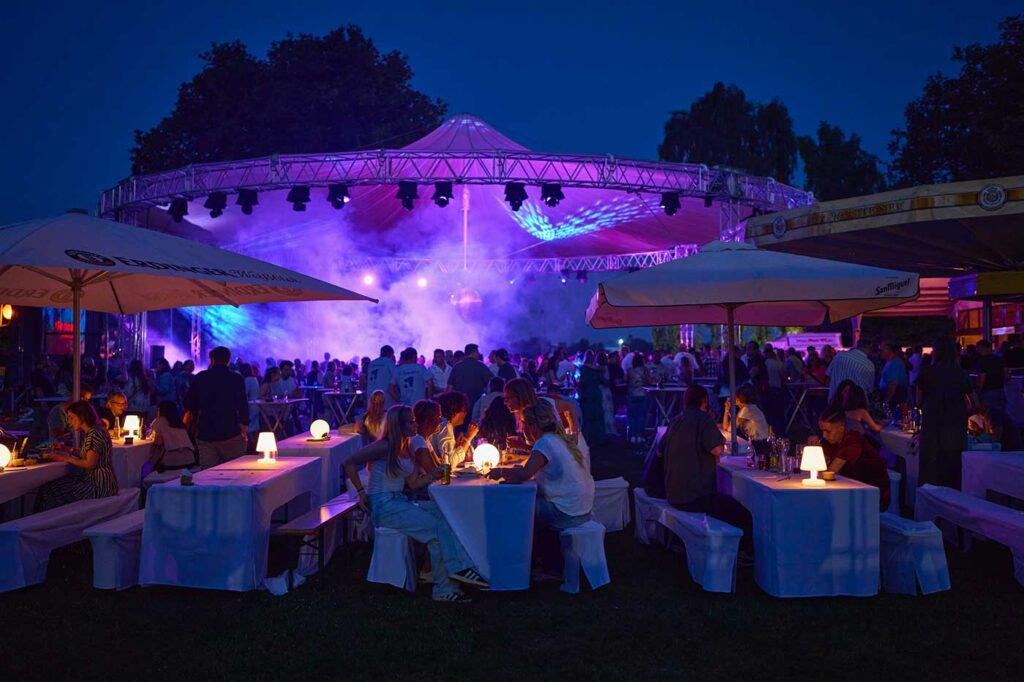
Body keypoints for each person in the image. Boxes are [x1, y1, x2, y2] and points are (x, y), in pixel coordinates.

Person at [343, 405, 488, 602]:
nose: (416, 424)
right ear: (399, 426)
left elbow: (413, 483)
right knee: (436, 528)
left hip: (399, 500)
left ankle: (453, 577)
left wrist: (433, 475)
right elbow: (349, 462)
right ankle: (452, 578)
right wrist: (361, 492)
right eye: (411, 422)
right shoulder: (385, 446)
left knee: (445, 514)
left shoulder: (407, 446)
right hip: (384, 505)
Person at [487, 401, 595, 579]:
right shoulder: (558, 439)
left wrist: (499, 471)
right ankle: (547, 563)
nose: (521, 429)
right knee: (531, 505)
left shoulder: (545, 443)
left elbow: (525, 473)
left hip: (567, 512)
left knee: (520, 509)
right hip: (583, 508)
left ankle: (524, 564)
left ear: (533, 426)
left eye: (523, 424)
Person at [656, 385, 752, 554]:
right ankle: (745, 556)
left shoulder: (676, 420)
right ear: (705, 401)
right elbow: (717, 449)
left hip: (672, 492)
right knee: (744, 514)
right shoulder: (703, 419)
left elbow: (659, 450)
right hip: (694, 496)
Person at [916, 336, 974, 489]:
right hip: (955, 423)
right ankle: (952, 496)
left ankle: (929, 495)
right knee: (953, 461)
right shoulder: (961, 373)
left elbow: (918, 399)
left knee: (931, 462)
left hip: (932, 421)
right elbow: (973, 400)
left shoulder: (926, 372)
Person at [37, 401, 118, 510]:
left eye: (72, 417)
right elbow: (88, 453)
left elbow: (89, 464)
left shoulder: (94, 434)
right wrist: (65, 448)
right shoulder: (96, 430)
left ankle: (49, 518)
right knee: (55, 485)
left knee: (49, 489)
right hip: (103, 482)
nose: (69, 422)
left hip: (98, 485)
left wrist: (64, 458)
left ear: (82, 417)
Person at [182, 346, 249, 469]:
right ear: (228, 360)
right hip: (231, 432)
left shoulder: (201, 377)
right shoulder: (236, 378)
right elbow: (243, 405)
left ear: (212, 359)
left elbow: (188, 402)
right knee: (234, 472)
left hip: (206, 433)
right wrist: (244, 425)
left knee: (208, 474)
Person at [815, 408, 891, 511]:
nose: (824, 436)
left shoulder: (852, 441)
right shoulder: (833, 442)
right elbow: (819, 466)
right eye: (822, 431)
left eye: (828, 431)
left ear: (841, 428)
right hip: (852, 490)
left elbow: (830, 473)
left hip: (873, 496)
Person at [149, 400, 197, 471]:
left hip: (172, 461)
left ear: (160, 410)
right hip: (189, 459)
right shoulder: (179, 422)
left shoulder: (158, 421)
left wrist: (151, 436)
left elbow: (158, 442)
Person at [826, 338, 876, 403]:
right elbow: (869, 389)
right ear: (868, 347)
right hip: (857, 404)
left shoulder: (839, 356)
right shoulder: (869, 365)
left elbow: (828, 377)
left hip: (834, 401)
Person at [435, 391, 476, 466]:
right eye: (464, 410)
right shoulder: (445, 426)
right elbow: (449, 462)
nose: (465, 413)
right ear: (455, 410)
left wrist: (457, 446)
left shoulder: (444, 424)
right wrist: (468, 438)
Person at [577, 350, 608, 446]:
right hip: (596, 394)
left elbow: (580, 383)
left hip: (586, 395)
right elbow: (605, 382)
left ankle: (587, 439)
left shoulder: (582, 369)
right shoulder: (596, 370)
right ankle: (599, 439)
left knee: (587, 419)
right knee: (597, 418)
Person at [975, 339, 1007, 411]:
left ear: (980, 348)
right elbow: (1006, 375)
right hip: (1000, 390)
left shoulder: (982, 361)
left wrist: (977, 391)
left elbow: (982, 380)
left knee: (989, 414)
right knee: (1001, 414)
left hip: (987, 392)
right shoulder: (999, 359)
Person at [626, 353, 650, 444]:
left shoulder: (629, 370)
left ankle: (633, 436)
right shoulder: (645, 370)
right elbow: (649, 381)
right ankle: (640, 436)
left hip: (631, 394)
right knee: (642, 416)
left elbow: (626, 381)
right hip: (643, 393)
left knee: (632, 416)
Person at [879, 342, 909, 411]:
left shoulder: (895, 363)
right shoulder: (890, 362)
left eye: (881, 350)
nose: (879, 352)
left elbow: (893, 384)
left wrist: (886, 401)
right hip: (894, 396)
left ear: (888, 350)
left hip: (895, 397)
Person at [239, 362, 261, 442]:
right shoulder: (254, 378)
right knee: (255, 427)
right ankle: (255, 445)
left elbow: (245, 393)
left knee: (249, 428)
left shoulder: (247, 380)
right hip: (256, 404)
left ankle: (251, 445)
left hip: (250, 406)